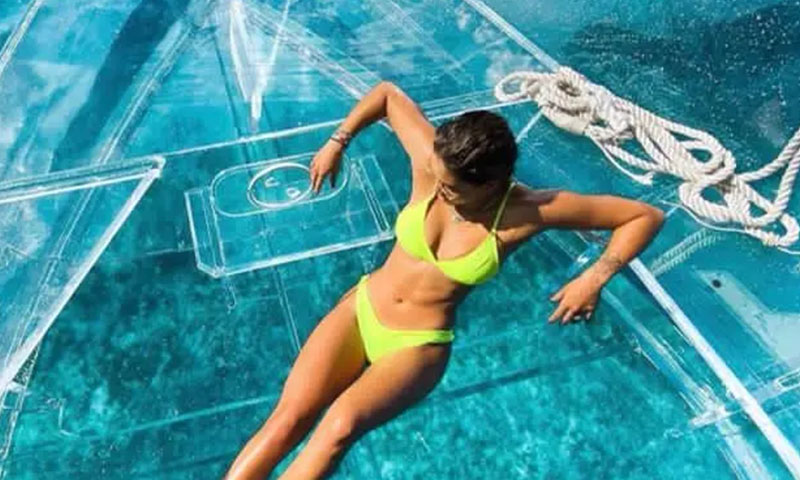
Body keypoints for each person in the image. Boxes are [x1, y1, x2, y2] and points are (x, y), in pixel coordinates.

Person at [224, 81, 664, 479]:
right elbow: (388, 94)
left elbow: (643, 216)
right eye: (438, 175)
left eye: (452, 188)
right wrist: (338, 141)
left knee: (339, 428)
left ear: (492, 184)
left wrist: (595, 278)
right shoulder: (432, 166)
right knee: (288, 419)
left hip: (415, 345)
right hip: (362, 309)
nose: (439, 189)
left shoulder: (528, 211)